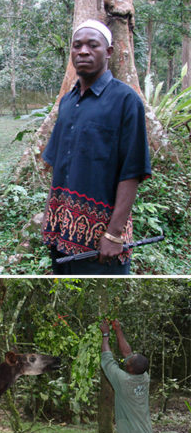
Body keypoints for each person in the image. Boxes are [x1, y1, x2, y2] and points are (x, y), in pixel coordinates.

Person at [42, 19, 152, 275]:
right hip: (60, 236)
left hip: (101, 245)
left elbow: (132, 171)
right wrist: (50, 218)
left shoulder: (125, 100)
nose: (83, 51)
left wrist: (114, 234)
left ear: (109, 52)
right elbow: (57, 164)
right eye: (77, 46)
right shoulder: (68, 102)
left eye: (93, 45)